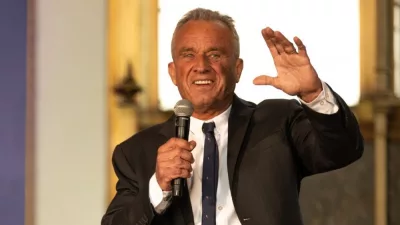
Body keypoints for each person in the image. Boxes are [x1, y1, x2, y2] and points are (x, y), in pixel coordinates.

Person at [101, 8, 364, 225]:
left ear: (237, 69)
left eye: (215, 55)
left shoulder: (277, 122)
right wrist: (158, 187)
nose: (201, 66)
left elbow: (342, 150)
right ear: (173, 72)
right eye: (188, 55)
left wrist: (313, 93)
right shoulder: (136, 152)